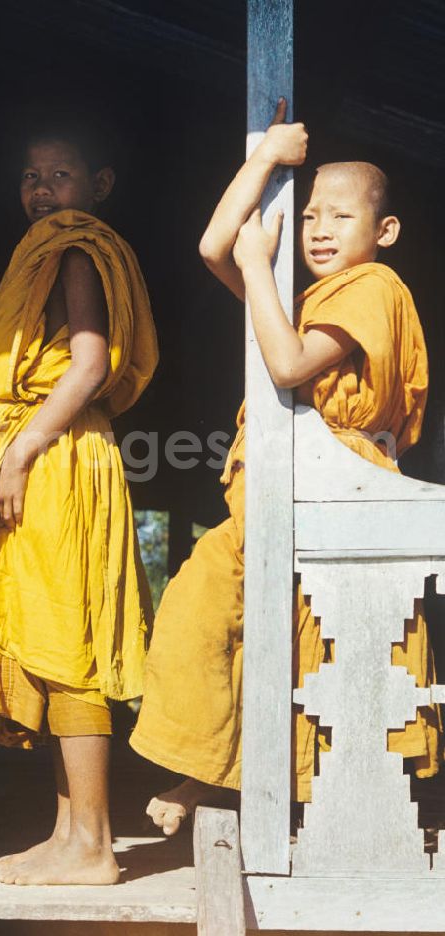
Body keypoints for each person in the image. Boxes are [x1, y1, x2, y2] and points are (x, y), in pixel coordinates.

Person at [131, 100, 439, 834]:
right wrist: (267, 156)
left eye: (339, 217)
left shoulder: (375, 289)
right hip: (278, 496)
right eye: (308, 218)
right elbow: (214, 246)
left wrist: (256, 273)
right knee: (216, 620)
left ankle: (247, 793)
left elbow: (291, 361)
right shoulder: (301, 299)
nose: (319, 230)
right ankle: (212, 772)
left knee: (322, 655)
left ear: (384, 232)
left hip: (337, 488)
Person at [0, 125, 159, 885]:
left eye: (60, 174)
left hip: (59, 453)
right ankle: (70, 834)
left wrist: (26, 448)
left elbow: (90, 363)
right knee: (51, 637)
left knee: (69, 645)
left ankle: (95, 843)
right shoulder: (45, 251)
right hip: (48, 447)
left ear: (98, 184)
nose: (42, 189)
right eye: (31, 175)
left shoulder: (77, 248)